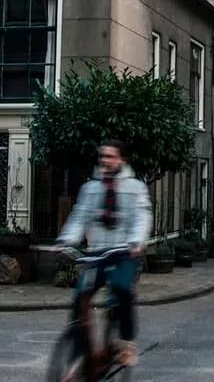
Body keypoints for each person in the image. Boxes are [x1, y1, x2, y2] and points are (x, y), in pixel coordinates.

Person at [56, 140, 152, 367]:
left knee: (122, 290)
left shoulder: (136, 188)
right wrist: (66, 240)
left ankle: (126, 343)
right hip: (98, 253)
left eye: (110, 156)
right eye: (102, 156)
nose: (105, 161)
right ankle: (80, 350)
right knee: (80, 296)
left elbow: (142, 216)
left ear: (121, 160)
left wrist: (136, 241)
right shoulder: (90, 188)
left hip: (123, 253)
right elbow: (79, 217)